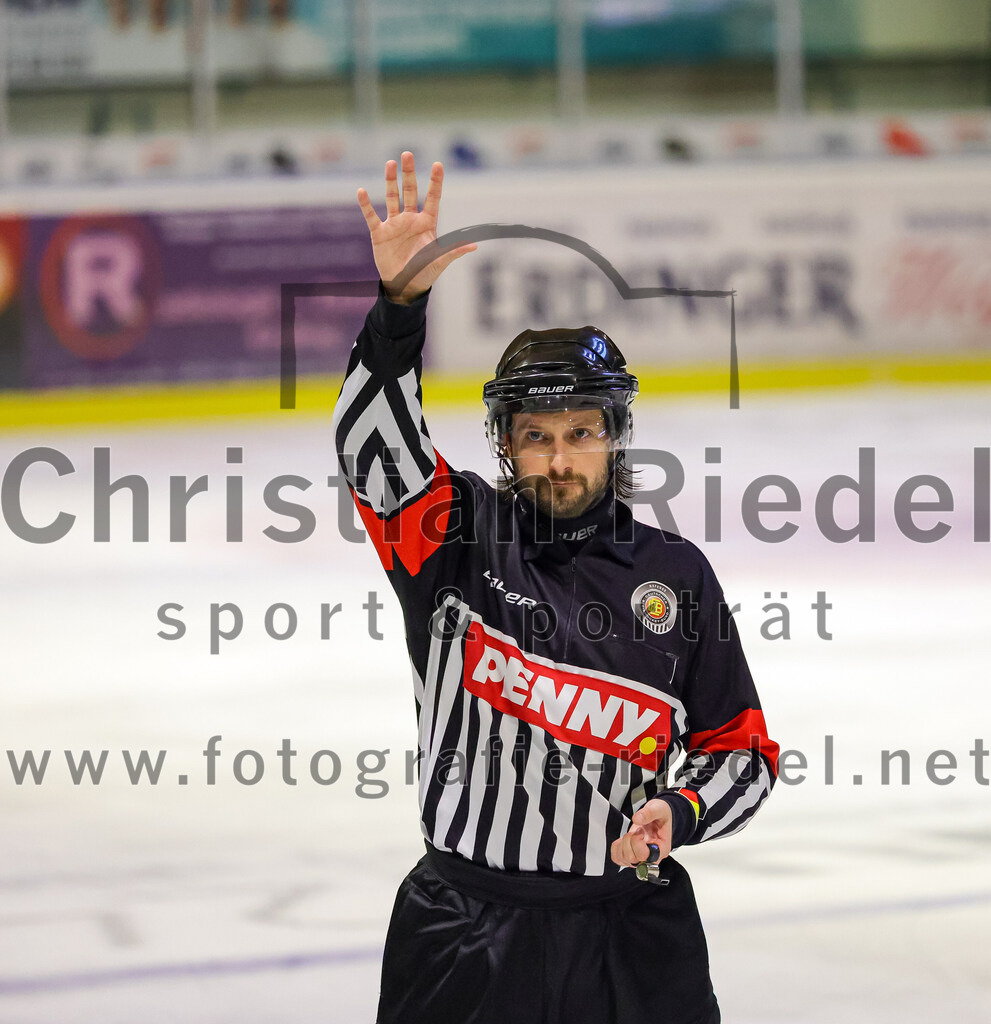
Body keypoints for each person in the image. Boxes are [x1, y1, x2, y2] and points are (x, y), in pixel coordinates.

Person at [332, 152, 779, 1024]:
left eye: (581, 431)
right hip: (461, 926)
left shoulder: (675, 576)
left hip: (629, 927)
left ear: (615, 436)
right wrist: (398, 311)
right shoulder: (454, 534)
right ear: (504, 441)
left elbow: (744, 752)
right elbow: (370, 454)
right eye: (536, 435)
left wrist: (678, 812)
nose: (561, 457)